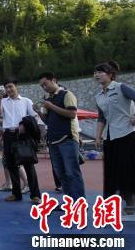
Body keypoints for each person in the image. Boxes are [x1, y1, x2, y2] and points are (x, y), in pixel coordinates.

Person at [93, 61, 135, 228]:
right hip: (110, 139)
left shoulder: (121, 88)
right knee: (113, 175)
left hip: (127, 135)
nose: (97, 75)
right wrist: (98, 137)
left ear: (111, 74)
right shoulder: (99, 96)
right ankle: (127, 210)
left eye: (101, 72)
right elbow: (101, 118)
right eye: (95, 72)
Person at [34, 72, 85, 200]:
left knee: (72, 172)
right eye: (42, 86)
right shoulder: (48, 100)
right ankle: (69, 201)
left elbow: (72, 114)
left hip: (67, 138)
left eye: (45, 84)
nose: (44, 87)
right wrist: (38, 112)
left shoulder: (67, 94)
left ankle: (79, 203)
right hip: (53, 140)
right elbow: (48, 120)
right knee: (61, 174)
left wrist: (51, 106)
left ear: (54, 80)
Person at [0, 78, 41, 204]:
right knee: (11, 165)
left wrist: (25, 125)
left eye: (10, 86)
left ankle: (35, 195)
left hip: (23, 135)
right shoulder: (3, 101)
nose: (8, 90)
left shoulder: (26, 101)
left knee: (28, 164)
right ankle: (16, 193)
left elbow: (34, 116)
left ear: (16, 86)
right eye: (6, 88)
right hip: (8, 134)